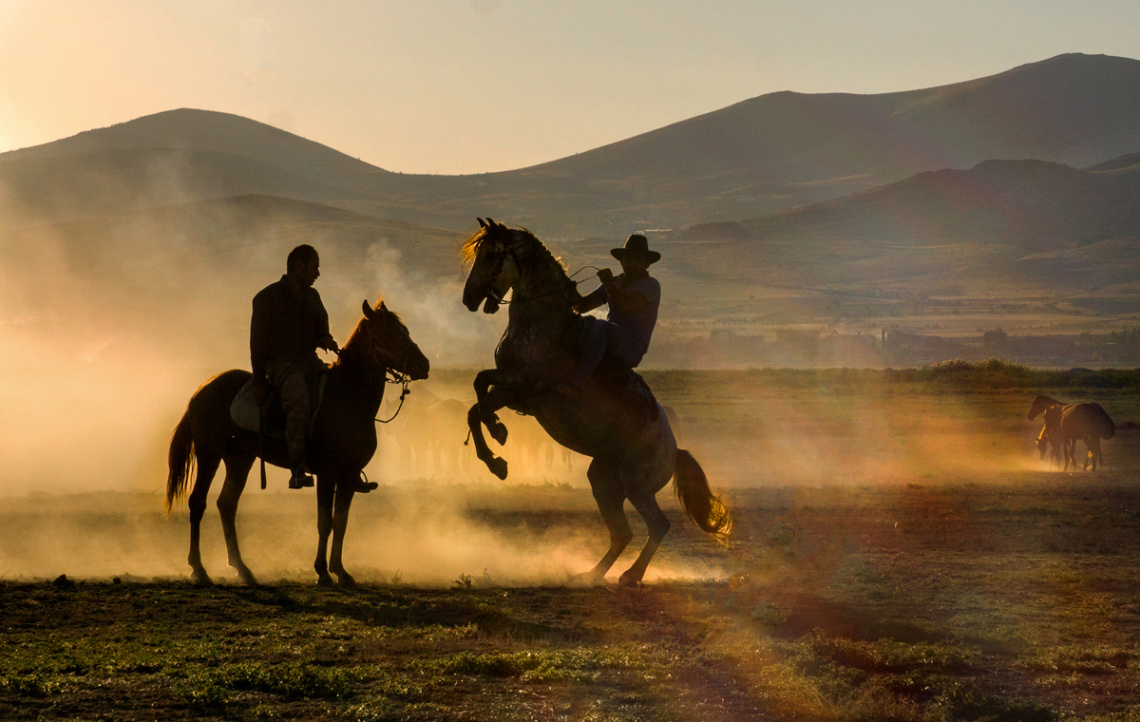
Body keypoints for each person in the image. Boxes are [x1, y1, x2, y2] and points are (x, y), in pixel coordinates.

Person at [251, 244, 338, 489]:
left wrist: (325, 338)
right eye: (314, 267)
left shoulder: (313, 297)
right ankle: (297, 466)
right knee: (299, 400)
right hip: (282, 367)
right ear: (298, 266)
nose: (317, 274)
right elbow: (257, 346)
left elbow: (322, 328)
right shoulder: (266, 298)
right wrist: (259, 382)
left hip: (310, 362)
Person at [568, 234, 662, 391]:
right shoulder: (616, 282)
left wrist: (607, 283)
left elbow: (626, 305)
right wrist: (568, 289)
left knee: (601, 326)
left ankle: (579, 382)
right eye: (628, 258)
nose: (632, 263)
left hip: (632, 347)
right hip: (611, 339)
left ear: (646, 264)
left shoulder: (651, 285)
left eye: (637, 259)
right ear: (622, 261)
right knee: (585, 325)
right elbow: (582, 306)